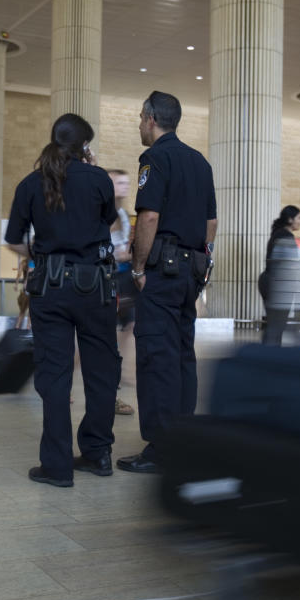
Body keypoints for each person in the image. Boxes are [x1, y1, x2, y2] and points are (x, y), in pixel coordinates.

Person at [5, 113, 120, 487]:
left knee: (54, 375)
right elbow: (110, 223)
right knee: (101, 370)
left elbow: (14, 239)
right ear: (85, 145)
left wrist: (41, 255)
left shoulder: (30, 183)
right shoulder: (98, 178)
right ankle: (98, 453)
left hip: (49, 286)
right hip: (95, 286)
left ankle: (56, 467)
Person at [118, 91, 217, 474]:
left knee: (157, 354)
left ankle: (160, 448)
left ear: (149, 118)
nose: (139, 124)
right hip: (191, 269)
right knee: (182, 354)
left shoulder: (154, 158)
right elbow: (211, 222)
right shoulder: (199, 162)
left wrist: (139, 269)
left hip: (164, 269)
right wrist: (203, 263)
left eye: (140, 117)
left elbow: (148, 218)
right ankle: (184, 437)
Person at [108, 169, 136, 416]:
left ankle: (120, 375)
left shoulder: (124, 214)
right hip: (110, 277)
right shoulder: (104, 212)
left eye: (127, 183)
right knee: (110, 333)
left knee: (129, 326)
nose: (125, 187)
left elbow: (124, 247)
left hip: (124, 277)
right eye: (119, 183)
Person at [258, 205, 300, 346]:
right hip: (278, 284)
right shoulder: (286, 237)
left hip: (268, 281)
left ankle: (267, 358)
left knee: (273, 326)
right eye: (299, 218)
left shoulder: (277, 233)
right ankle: (269, 359)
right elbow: (290, 264)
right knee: (276, 327)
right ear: (290, 219)